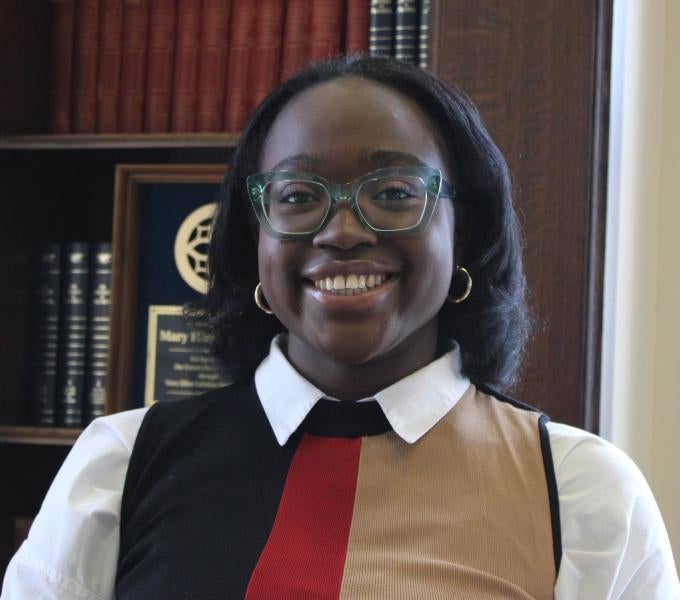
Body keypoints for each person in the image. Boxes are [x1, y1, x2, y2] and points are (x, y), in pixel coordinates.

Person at [2, 55, 679, 599]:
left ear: (462, 227)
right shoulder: (119, 467)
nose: (342, 232)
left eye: (393, 193)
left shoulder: (584, 494)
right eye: (297, 197)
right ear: (253, 238)